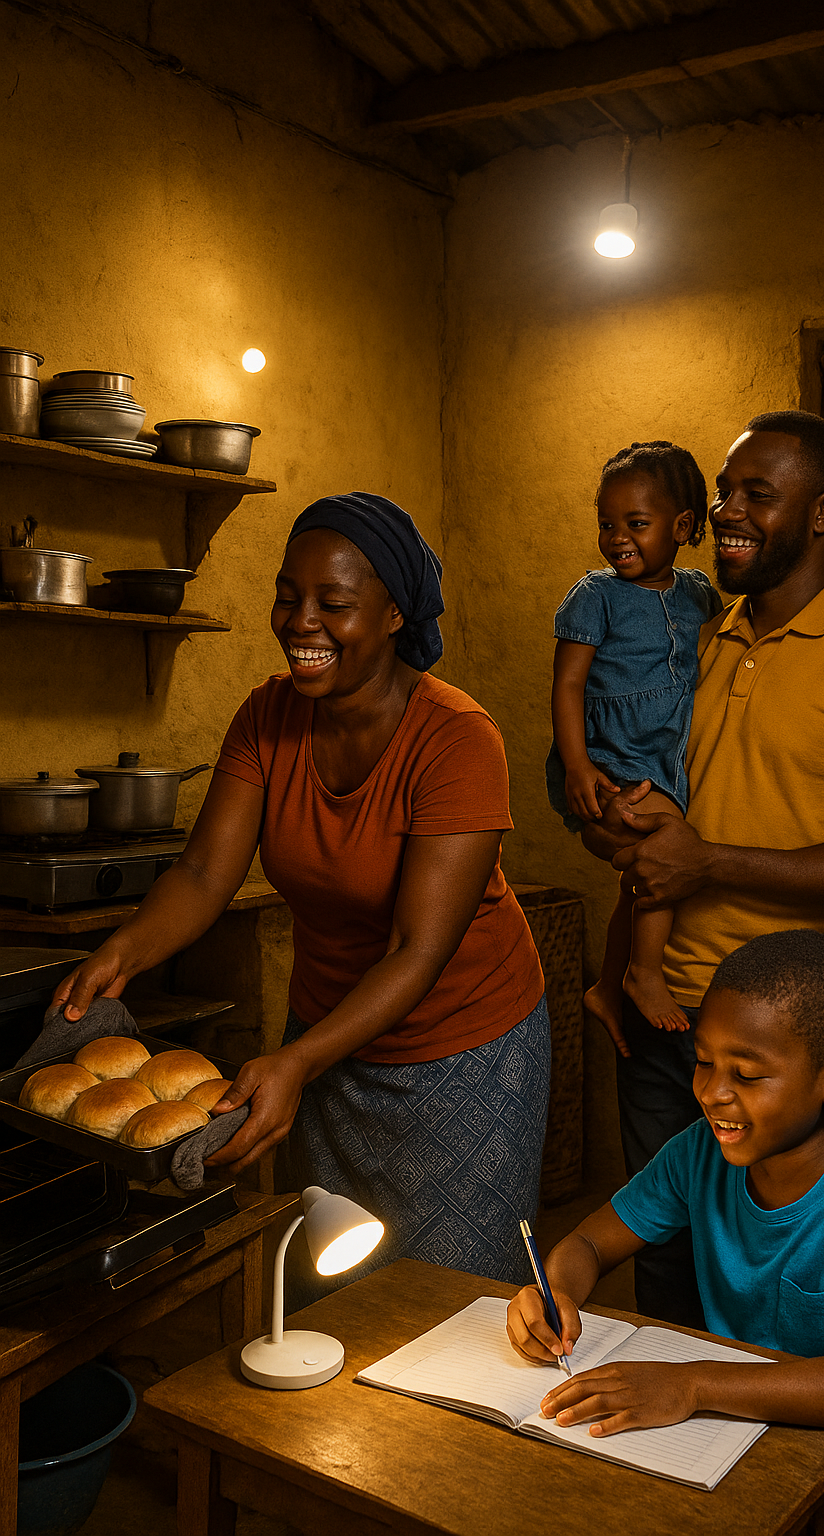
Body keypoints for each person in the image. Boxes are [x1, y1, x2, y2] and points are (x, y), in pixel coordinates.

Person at [54, 493, 549, 1291]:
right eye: (289, 596)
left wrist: (295, 1060)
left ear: (393, 614)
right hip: (326, 1040)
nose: (300, 622)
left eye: (334, 604)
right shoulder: (266, 717)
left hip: (464, 1051)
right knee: (337, 1284)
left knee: (456, 1298)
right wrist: (120, 954)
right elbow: (204, 875)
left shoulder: (458, 739)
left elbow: (418, 950)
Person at [582, 410, 824, 1327]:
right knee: (663, 1268)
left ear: (823, 513)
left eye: (759, 495)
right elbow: (656, 822)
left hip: (783, 1041)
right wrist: (618, 846)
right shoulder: (693, 635)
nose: (728, 511)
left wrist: (709, 861)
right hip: (666, 1014)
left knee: (781, 1289)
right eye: (725, 491)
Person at [507, 930, 824, 1536]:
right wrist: (556, 1292)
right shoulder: (699, 1154)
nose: (712, 1093)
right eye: (705, 1061)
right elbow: (587, 1242)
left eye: (745, 1073)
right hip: (733, 1425)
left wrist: (693, 1383)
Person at [545, 441, 721, 1031]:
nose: (617, 536)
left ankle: (606, 984)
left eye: (636, 524)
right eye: (606, 524)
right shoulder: (595, 595)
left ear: (683, 526)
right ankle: (643, 974)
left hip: (662, 757)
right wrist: (576, 765)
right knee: (669, 842)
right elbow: (567, 685)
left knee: (644, 872)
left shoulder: (699, 594)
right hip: (608, 758)